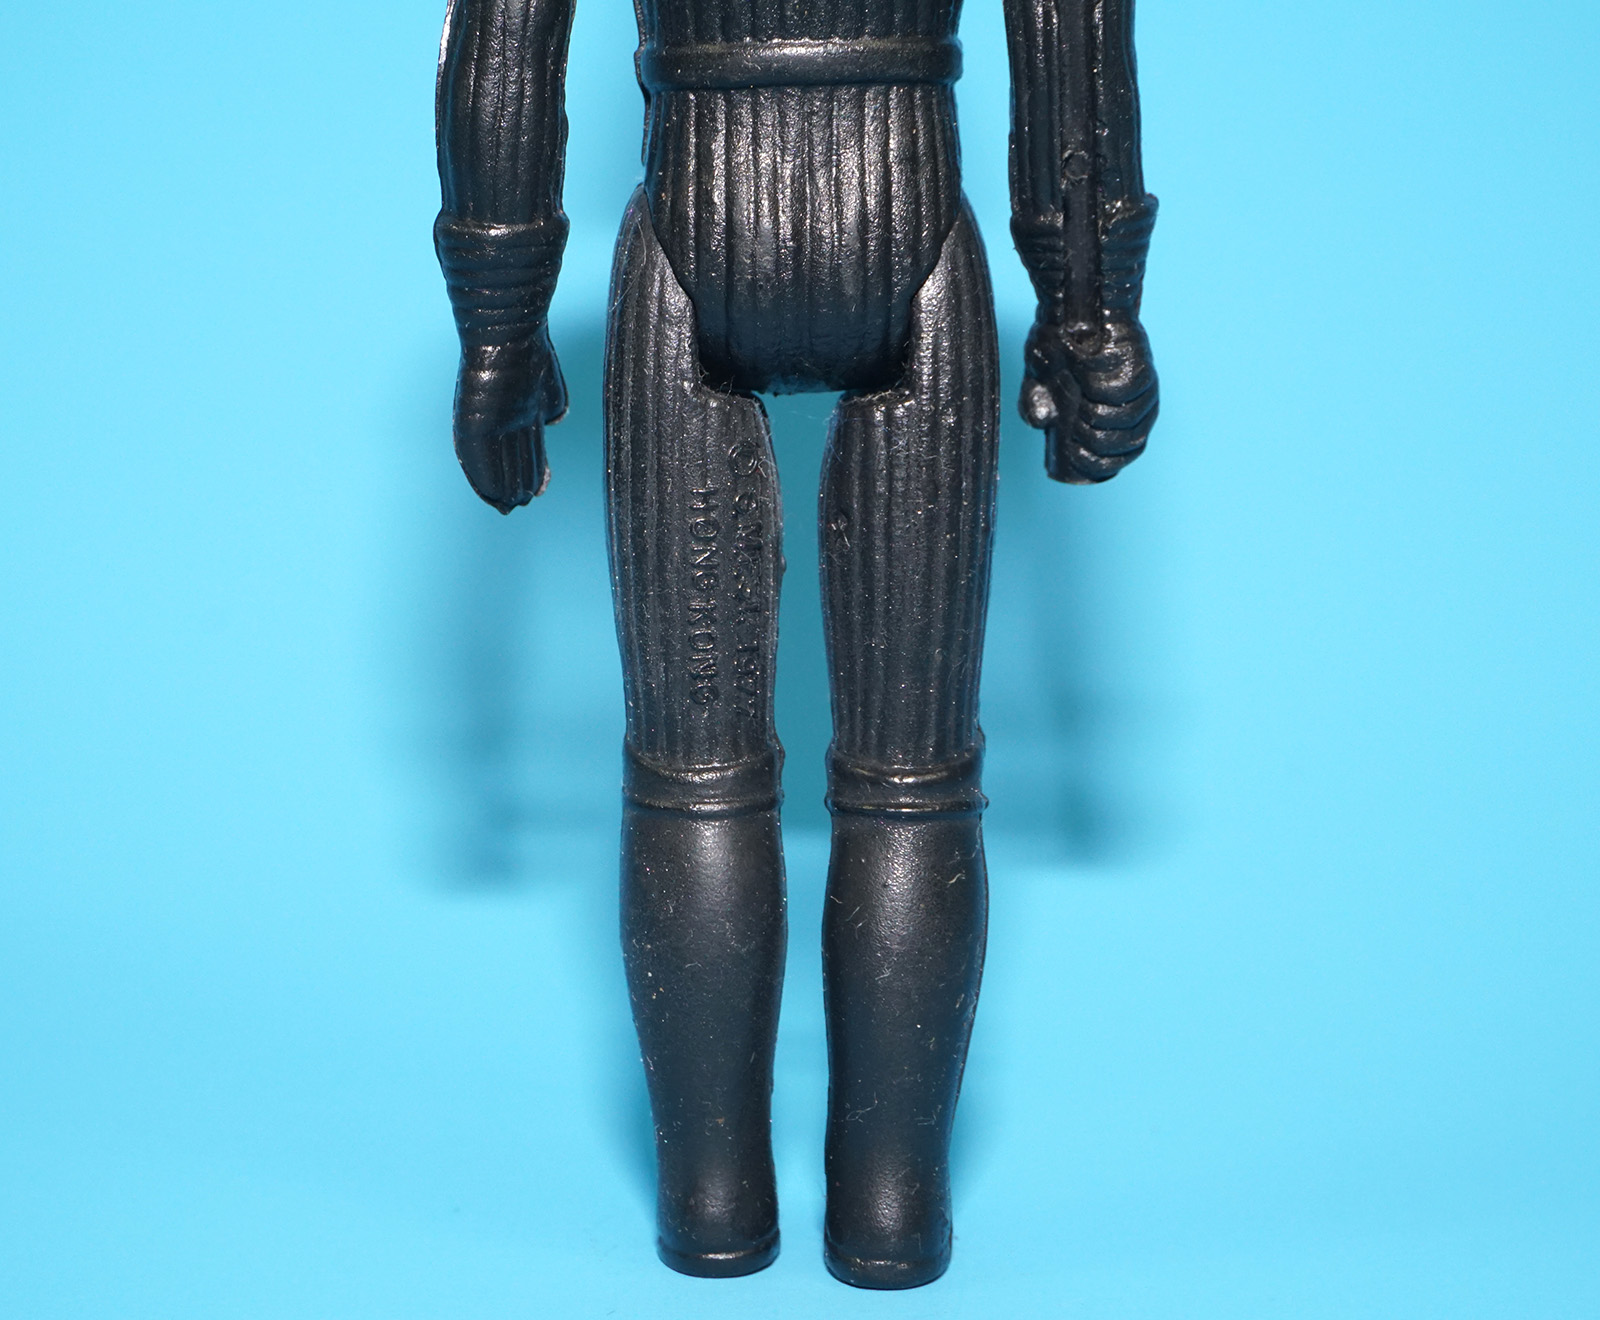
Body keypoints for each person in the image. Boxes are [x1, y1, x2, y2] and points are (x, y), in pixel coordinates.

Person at [433, 0, 1157, 1288]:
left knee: (693, 772)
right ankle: (889, 1209)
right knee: (913, 778)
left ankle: (715, 1203)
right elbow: (1074, 35)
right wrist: (1092, 306)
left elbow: (505, 39)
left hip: (691, 234)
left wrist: (499, 318)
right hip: (911, 227)